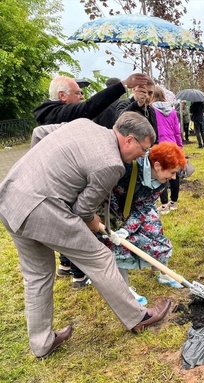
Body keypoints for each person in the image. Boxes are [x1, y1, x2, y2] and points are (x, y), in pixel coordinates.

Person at [0, 112, 171, 358]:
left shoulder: (83, 124)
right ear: (129, 140)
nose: (141, 157)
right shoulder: (112, 164)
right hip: (43, 209)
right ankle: (139, 317)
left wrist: (42, 173)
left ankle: (42, 343)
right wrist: (94, 221)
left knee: (38, 275)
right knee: (100, 258)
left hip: (10, 199)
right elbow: (83, 211)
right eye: (143, 150)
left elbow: (39, 133)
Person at [33, 73, 149, 288]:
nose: (82, 96)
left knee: (69, 223)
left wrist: (137, 103)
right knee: (76, 226)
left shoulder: (55, 113)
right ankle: (78, 274)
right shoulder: (56, 114)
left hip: (60, 182)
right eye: (78, 93)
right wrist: (124, 86)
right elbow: (91, 110)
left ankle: (66, 265)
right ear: (62, 96)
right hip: (63, 184)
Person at [99, 141, 187, 303]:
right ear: (158, 166)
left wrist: (129, 228)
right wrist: (121, 229)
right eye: (173, 172)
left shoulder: (161, 182)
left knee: (155, 232)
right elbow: (106, 190)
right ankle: (124, 290)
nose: (174, 177)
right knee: (117, 245)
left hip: (139, 208)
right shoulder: (129, 168)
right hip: (114, 207)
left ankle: (164, 273)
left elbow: (145, 205)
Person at [151, 86, 183, 213]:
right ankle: (174, 202)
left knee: (161, 174)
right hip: (173, 144)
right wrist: (180, 147)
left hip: (159, 145)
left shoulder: (151, 110)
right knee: (174, 174)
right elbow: (177, 131)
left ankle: (164, 204)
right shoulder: (172, 111)